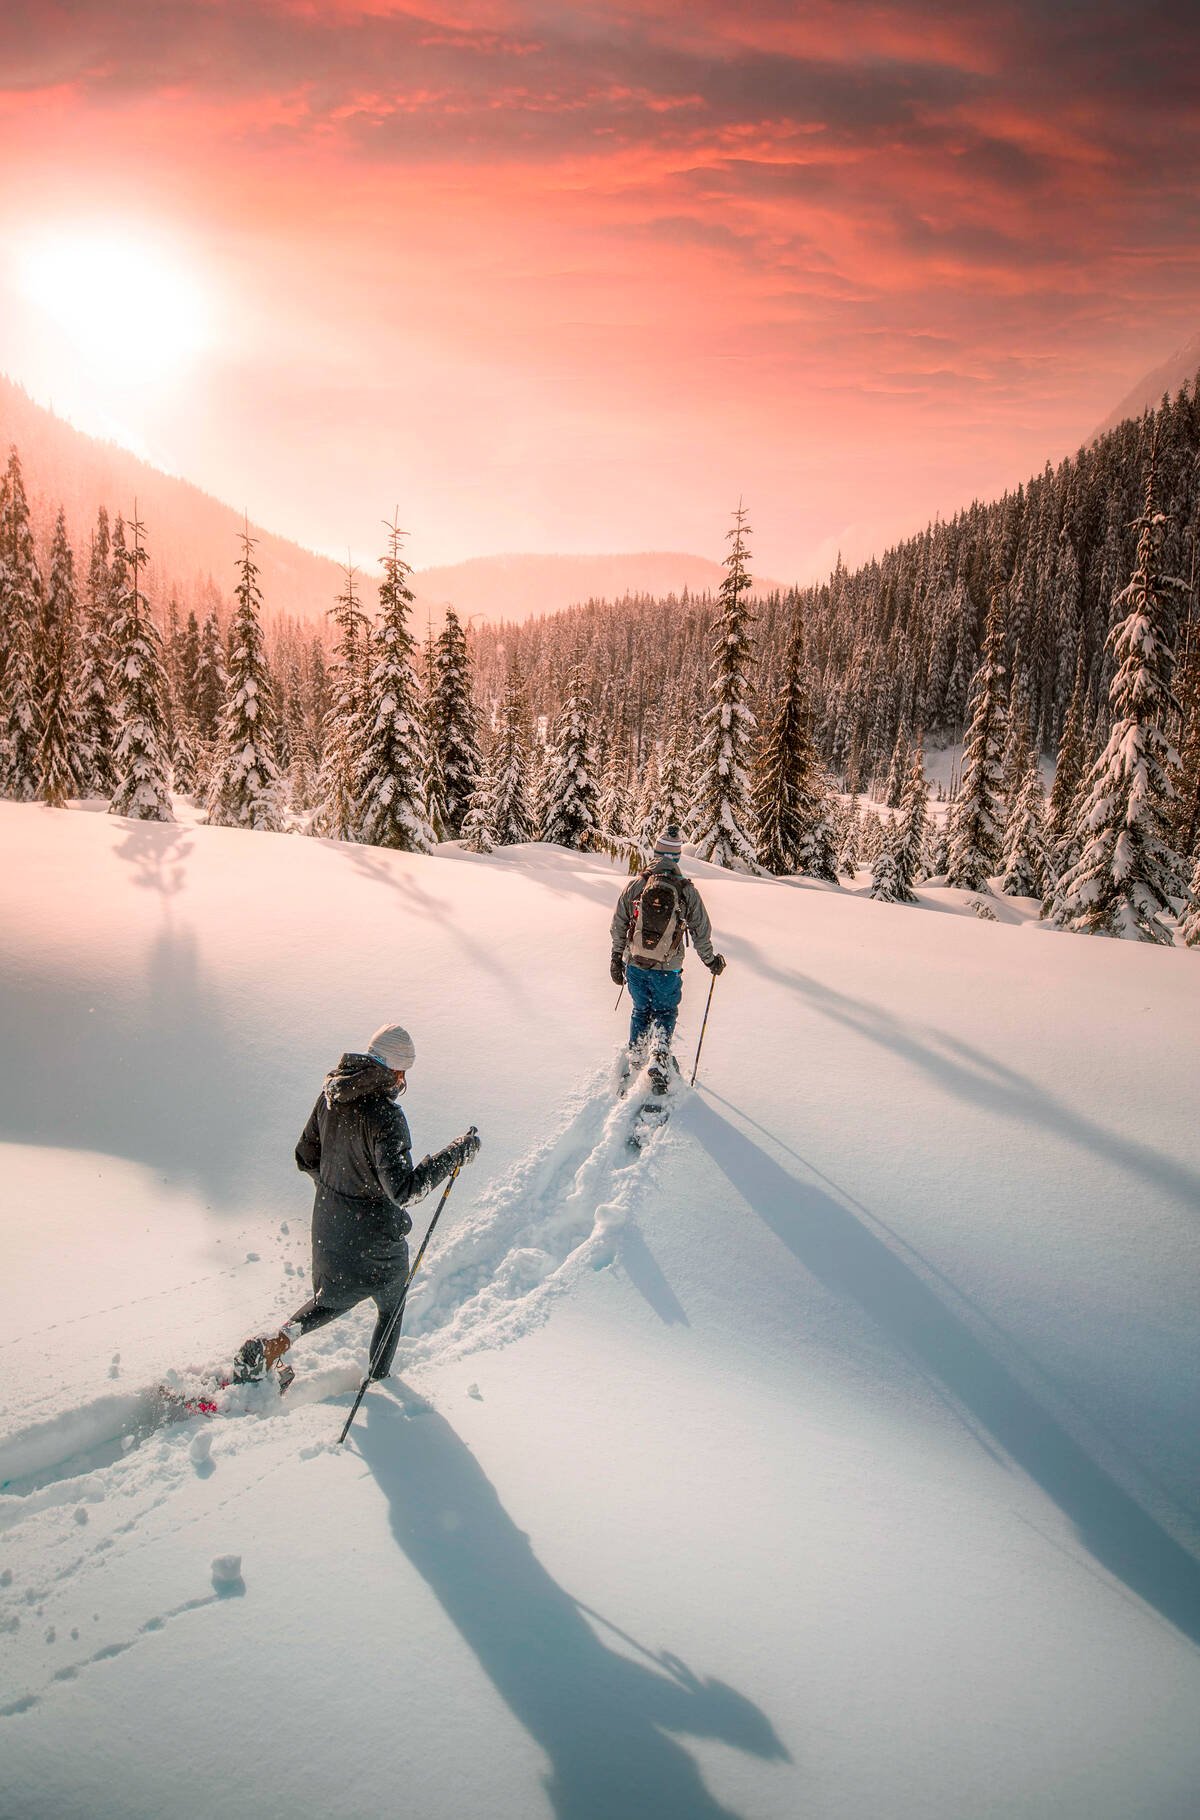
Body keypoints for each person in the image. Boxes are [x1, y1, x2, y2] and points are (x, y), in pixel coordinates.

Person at [234, 1022, 481, 1386]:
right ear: (396, 1070)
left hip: (329, 1229)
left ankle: (275, 1343)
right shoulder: (385, 1116)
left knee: (331, 1298)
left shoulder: (332, 1094)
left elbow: (305, 1156)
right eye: (405, 1073)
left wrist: (340, 1189)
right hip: (374, 1239)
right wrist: (456, 1154)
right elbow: (405, 1191)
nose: (403, 1082)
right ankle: (379, 1383)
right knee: (391, 1303)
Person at [609, 827, 725, 1072]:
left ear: (655, 853)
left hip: (636, 964)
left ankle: (637, 1055)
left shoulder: (636, 886)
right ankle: (659, 1057)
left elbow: (619, 924)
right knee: (664, 1011)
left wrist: (616, 959)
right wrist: (711, 961)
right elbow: (700, 931)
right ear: (677, 858)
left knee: (641, 1010)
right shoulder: (686, 890)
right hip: (667, 969)